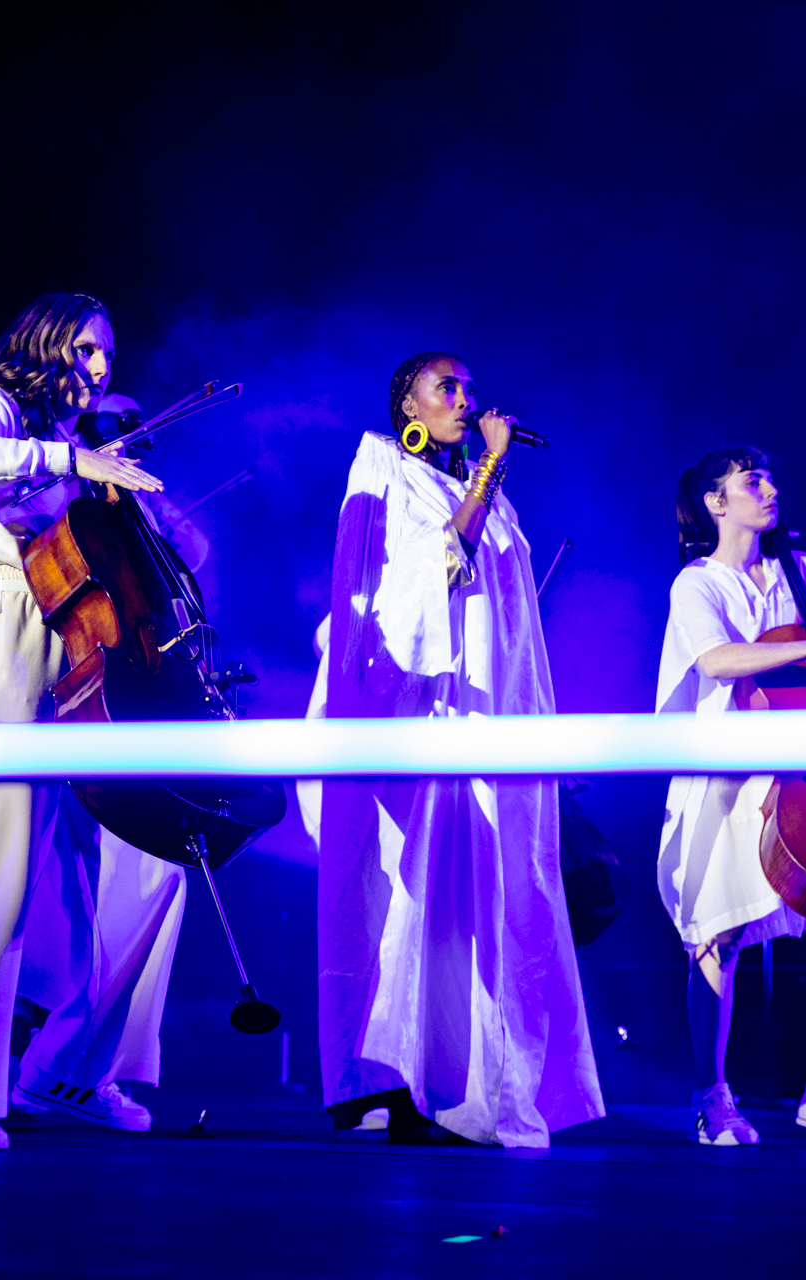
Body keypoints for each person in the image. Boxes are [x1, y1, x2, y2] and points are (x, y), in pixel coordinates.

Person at [0, 292, 189, 1151]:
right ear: (49, 342)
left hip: (72, 648)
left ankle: (46, 1071)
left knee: (71, 880)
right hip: (0, 629)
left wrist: (111, 479)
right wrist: (71, 458)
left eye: (108, 355)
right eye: (88, 350)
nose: (101, 369)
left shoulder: (79, 443)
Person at [314, 351, 604, 1148]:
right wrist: (489, 467)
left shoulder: (487, 497)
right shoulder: (385, 472)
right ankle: (397, 1077)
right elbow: (425, 575)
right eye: (447, 387)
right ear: (405, 398)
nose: (465, 399)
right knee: (418, 897)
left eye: (469, 389)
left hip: (487, 722)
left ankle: (470, 1073)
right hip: (425, 713)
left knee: (493, 896)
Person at [656, 447, 806, 1144]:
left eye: (769, 477)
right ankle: (712, 1094)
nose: (771, 490)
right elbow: (718, 660)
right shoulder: (697, 584)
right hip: (727, 774)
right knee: (717, 937)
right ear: (716, 502)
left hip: (803, 772)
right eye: (751, 481)